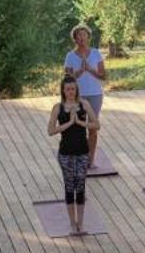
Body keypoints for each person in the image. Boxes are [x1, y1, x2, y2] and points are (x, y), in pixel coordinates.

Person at [45, 76, 96, 235]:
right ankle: (72, 224)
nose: (70, 92)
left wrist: (81, 123)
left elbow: (97, 124)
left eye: (73, 89)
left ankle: (80, 223)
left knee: (80, 186)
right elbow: (51, 130)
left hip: (82, 152)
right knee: (69, 186)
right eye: (67, 89)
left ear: (76, 89)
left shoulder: (84, 104)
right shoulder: (58, 108)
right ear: (63, 90)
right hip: (66, 153)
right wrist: (69, 122)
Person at [64, 26, 107, 160]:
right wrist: (79, 72)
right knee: (77, 128)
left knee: (93, 128)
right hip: (78, 96)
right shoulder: (70, 56)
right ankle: (79, 156)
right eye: (79, 35)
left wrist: (90, 69)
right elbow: (67, 79)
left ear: (88, 37)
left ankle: (90, 158)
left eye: (84, 35)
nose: (82, 38)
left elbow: (103, 75)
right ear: (75, 39)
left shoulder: (96, 53)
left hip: (95, 95)